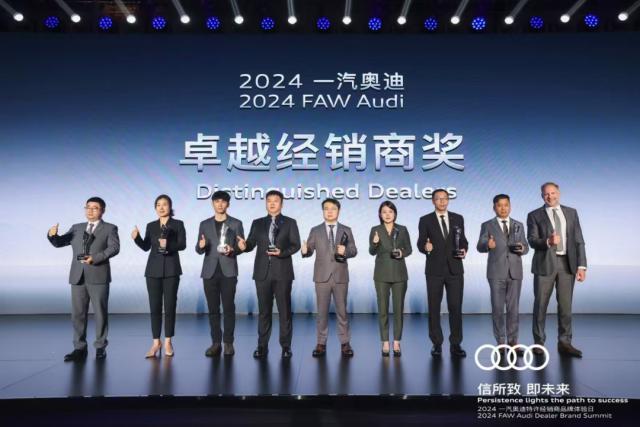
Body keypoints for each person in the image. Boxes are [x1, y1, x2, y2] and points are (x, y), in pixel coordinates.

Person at [47, 197, 120, 361]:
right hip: (77, 276)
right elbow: (59, 243)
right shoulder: (77, 228)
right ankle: (79, 348)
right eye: (88, 207)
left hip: (98, 275)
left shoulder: (110, 228)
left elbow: (114, 248)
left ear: (102, 211)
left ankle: (100, 347)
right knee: (78, 314)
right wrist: (52, 235)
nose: (90, 210)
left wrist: (96, 258)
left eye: (95, 208)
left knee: (100, 313)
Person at [237, 190, 301, 359]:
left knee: (284, 311)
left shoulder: (290, 222)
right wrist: (244, 246)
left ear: (282, 203)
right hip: (262, 273)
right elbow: (250, 243)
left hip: (283, 273)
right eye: (269, 201)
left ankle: (286, 346)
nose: (272, 203)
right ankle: (262, 346)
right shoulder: (257, 223)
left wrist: (281, 252)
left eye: (275, 201)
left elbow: (296, 245)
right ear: (266, 203)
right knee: (264, 311)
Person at [527, 182, 587, 357]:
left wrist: (582, 266)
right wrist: (548, 241)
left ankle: (565, 342)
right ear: (542, 196)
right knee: (540, 305)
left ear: (559, 193)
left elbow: (579, 240)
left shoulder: (571, 212)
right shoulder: (534, 215)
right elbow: (532, 240)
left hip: (567, 264)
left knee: (566, 306)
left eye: (553, 193)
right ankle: (538, 343)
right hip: (544, 264)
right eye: (546, 194)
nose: (550, 196)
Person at [301, 198, 357, 358]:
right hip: (321, 277)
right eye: (326, 208)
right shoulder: (315, 230)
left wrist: (345, 251)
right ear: (323, 211)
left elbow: (354, 250)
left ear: (338, 211)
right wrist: (305, 250)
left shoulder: (346, 229)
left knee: (342, 312)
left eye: (333, 208)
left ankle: (345, 343)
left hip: (340, 276)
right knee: (322, 312)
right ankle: (321, 343)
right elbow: (309, 250)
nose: (330, 211)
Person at [132, 194, 186, 358]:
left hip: (171, 269)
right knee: (154, 307)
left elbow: (182, 245)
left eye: (165, 204)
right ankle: (156, 342)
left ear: (170, 206)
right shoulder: (151, 225)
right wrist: (137, 238)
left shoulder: (178, 224)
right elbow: (146, 246)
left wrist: (168, 245)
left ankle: (168, 341)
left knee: (170, 306)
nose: (161, 207)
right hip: (153, 271)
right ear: (155, 208)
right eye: (158, 205)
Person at [417, 189, 468, 358]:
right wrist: (425, 247)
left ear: (448, 200)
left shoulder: (458, 218)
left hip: (455, 269)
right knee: (434, 307)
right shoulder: (425, 220)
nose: (442, 201)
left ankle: (456, 343)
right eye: (438, 199)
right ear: (433, 201)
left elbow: (463, 241)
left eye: (445, 198)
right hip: (434, 270)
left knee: (456, 307)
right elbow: (420, 242)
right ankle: (436, 343)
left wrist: (464, 249)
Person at [477, 194, 529, 353]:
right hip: (496, 273)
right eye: (499, 205)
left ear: (510, 206)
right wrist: (488, 245)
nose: (503, 208)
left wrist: (522, 248)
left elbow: (526, 246)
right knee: (498, 308)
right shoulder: (487, 225)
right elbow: (480, 246)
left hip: (515, 272)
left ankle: (513, 342)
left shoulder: (518, 225)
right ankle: (500, 342)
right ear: (494, 207)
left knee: (514, 309)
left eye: (506, 205)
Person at [195, 191, 244, 357]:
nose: (220, 204)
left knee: (229, 307)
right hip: (209, 272)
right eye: (217, 201)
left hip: (228, 270)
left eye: (223, 201)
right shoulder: (204, 224)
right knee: (213, 309)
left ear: (228, 204)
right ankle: (216, 343)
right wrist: (201, 246)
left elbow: (241, 246)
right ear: (213, 203)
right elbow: (198, 249)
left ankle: (228, 342)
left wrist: (233, 249)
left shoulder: (236, 223)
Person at [368, 201, 412, 357]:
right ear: (380, 214)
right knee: (383, 310)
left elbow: (409, 249)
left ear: (395, 214)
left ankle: (397, 341)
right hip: (381, 274)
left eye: (390, 211)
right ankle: (385, 341)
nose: (387, 214)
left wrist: (401, 253)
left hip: (399, 274)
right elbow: (371, 251)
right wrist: (375, 243)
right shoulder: (375, 229)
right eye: (384, 212)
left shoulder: (402, 229)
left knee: (398, 309)